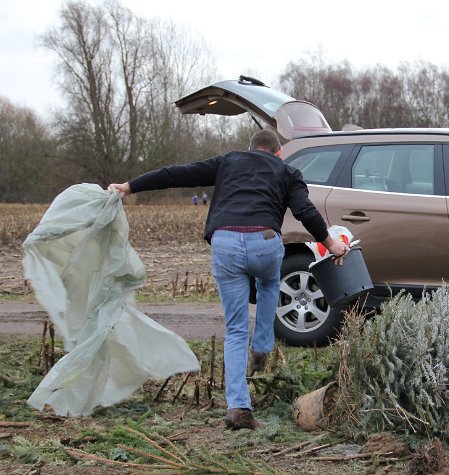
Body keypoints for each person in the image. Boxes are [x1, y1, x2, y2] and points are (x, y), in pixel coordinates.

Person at [108, 129, 349, 430]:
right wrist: (332, 242)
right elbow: (305, 211)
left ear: (250, 149)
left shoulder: (229, 161)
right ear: (277, 153)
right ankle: (262, 346)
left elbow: (177, 174)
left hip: (225, 243)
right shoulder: (288, 171)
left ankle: (238, 407)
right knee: (269, 283)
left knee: (235, 329)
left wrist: (130, 186)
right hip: (264, 241)